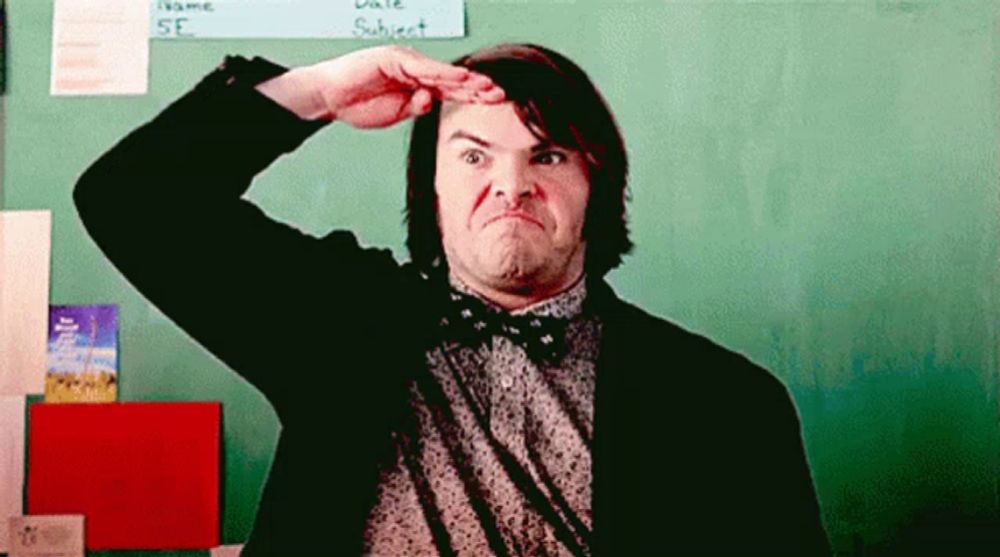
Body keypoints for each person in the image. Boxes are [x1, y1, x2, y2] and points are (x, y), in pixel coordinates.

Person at [73, 44, 829, 556]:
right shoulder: (335, 320)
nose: (511, 184)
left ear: (599, 189)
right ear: (429, 188)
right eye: (473, 154)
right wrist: (321, 92)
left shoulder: (730, 405)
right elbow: (133, 200)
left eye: (550, 154)